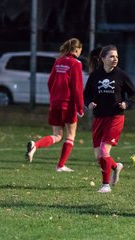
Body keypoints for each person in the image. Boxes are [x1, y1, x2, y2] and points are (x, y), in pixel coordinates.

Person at [84, 45, 135, 193]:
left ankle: (106, 185)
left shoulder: (122, 76)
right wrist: (89, 103)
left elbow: (133, 94)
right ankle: (115, 166)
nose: (115, 59)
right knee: (98, 156)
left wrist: (126, 103)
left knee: (103, 151)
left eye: (117, 57)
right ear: (103, 59)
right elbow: (86, 94)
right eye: (112, 57)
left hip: (115, 117)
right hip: (99, 118)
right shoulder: (95, 76)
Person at [25, 38, 84, 172]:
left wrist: (54, 97)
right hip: (68, 104)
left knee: (57, 135)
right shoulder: (76, 64)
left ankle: (36, 145)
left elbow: (50, 81)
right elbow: (77, 88)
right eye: (81, 50)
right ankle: (60, 165)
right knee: (70, 135)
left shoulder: (58, 62)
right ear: (77, 50)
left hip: (55, 103)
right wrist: (80, 107)